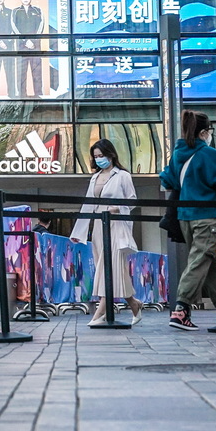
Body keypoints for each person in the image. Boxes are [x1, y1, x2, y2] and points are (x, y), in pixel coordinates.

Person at [160, 109, 216, 331]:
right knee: (199, 261)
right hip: (206, 217)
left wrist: (190, 187)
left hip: (185, 217)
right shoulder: (210, 155)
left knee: (210, 265)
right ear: (203, 133)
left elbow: (168, 181)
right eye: (210, 131)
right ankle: (180, 310)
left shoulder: (178, 153)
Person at [71, 139, 143, 326]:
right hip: (98, 227)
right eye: (96, 156)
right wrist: (78, 231)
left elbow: (132, 200)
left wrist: (116, 208)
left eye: (101, 155)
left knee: (110, 267)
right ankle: (134, 305)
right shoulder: (94, 178)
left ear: (111, 154)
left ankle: (101, 311)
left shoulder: (122, 176)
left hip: (116, 226)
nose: (99, 159)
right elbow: (88, 204)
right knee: (107, 269)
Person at [13, 0, 44, 97]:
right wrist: (25, 41)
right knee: (21, 73)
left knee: (37, 73)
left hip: (35, 47)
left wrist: (33, 41)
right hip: (22, 47)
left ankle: (39, 96)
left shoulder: (37, 10)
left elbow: (41, 26)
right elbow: (14, 27)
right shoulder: (15, 11)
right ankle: (22, 96)